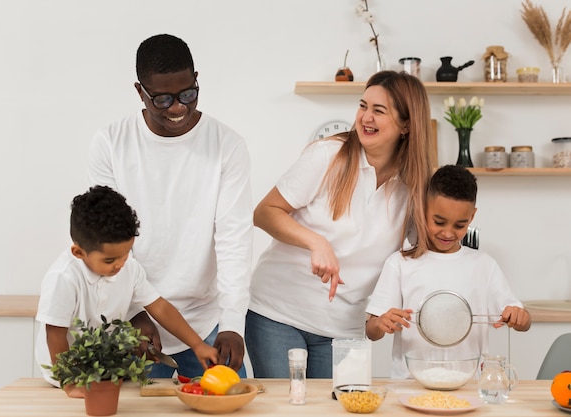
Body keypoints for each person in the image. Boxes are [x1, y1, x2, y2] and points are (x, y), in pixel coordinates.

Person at [246, 70, 434, 378]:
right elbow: (265, 212)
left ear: (406, 125)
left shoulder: (414, 188)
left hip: (344, 328)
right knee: (287, 410)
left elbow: (418, 257)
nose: (365, 117)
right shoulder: (328, 155)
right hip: (277, 314)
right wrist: (316, 242)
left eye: (379, 110)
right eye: (363, 106)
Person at [87, 34, 253, 378]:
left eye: (187, 94)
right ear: (140, 91)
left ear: (196, 80)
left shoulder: (227, 145)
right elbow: (104, 237)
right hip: (136, 320)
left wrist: (233, 323)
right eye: (162, 99)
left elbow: (234, 239)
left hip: (205, 322)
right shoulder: (111, 143)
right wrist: (134, 310)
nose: (177, 108)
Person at [35, 186, 218, 396]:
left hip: (104, 373)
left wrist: (197, 345)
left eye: (125, 253)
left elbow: (159, 306)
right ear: (78, 252)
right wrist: (70, 384)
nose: (120, 264)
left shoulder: (128, 267)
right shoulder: (64, 278)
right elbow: (55, 334)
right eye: (110, 260)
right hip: (66, 378)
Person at [365, 164, 531, 379]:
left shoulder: (484, 266)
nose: (447, 232)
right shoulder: (399, 263)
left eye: (459, 225)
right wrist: (381, 322)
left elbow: (523, 322)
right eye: (439, 221)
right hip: (411, 384)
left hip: (469, 384)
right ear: (422, 209)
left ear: (472, 217)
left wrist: (519, 316)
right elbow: (372, 331)